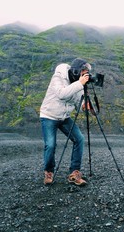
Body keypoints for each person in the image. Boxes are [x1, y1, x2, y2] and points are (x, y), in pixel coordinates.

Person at [39, 58, 92, 186]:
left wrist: (85, 104)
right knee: (50, 145)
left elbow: (79, 99)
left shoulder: (78, 83)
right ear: (75, 71)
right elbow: (62, 94)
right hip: (49, 115)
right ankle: (49, 172)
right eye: (83, 72)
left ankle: (74, 173)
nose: (84, 75)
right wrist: (80, 83)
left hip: (64, 117)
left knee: (79, 139)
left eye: (86, 73)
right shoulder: (58, 77)